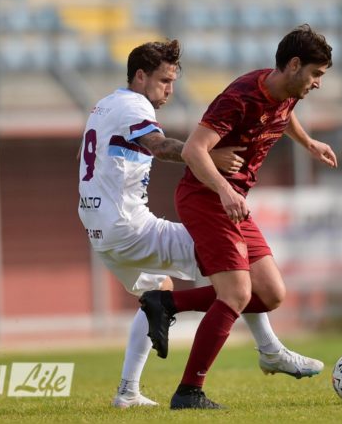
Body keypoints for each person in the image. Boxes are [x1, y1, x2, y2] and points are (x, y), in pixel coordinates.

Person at [77, 39, 324, 409]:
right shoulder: (134, 105)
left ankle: (127, 392)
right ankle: (269, 350)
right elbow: (160, 146)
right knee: (239, 271)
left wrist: (307, 142)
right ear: (140, 76)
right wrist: (209, 155)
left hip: (100, 230)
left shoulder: (105, 104)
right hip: (131, 228)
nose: (169, 90)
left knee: (164, 286)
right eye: (164, 81)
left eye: (173, 82)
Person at [140, 24, 337, 409]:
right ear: (294, 65)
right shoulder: (241, 96)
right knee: (236, 293)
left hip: (231, 201)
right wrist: (226, 190)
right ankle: (189, 392)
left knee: (271, 294)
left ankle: (167, 304)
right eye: (315, 74)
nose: (317, 83)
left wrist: (309, 143)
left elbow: (283, 115)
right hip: (205, 197)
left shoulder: (286, 91)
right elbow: (194, 150)